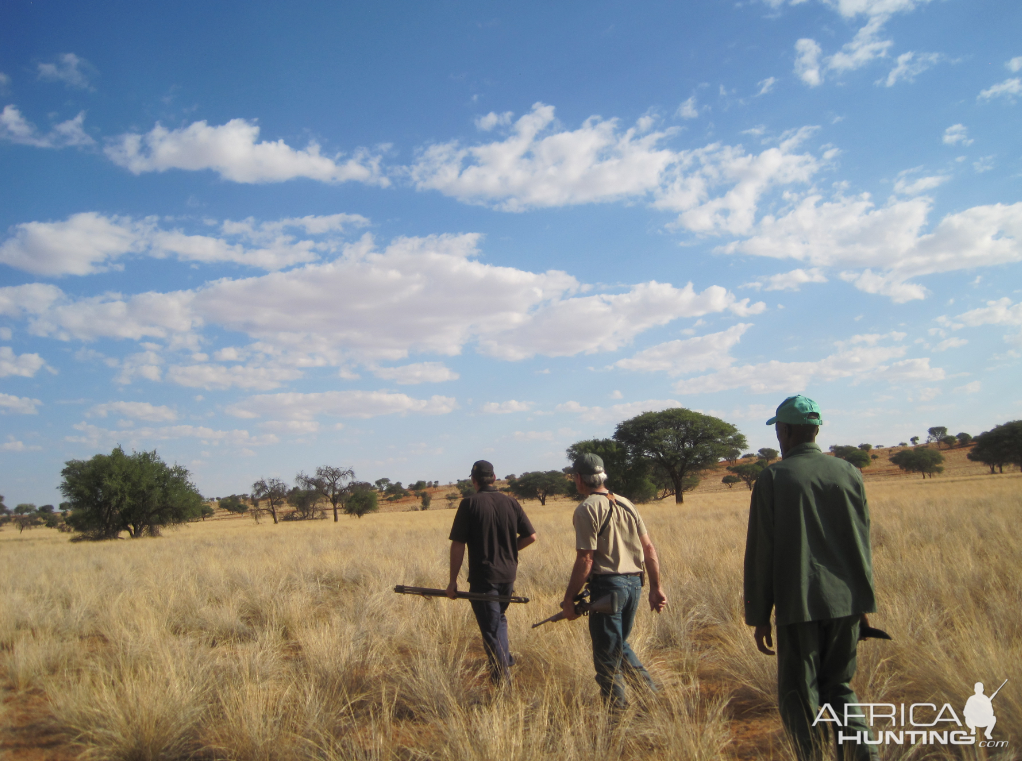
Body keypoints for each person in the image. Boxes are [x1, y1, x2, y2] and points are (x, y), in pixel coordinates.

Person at [744, 395, 879, 761]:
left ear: (784, 431)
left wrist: (758, 615)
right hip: (846, 602)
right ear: (816, 430)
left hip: (798, 603)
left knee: (800, 696)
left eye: (780, 431)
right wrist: (861, 601)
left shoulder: (773, 477)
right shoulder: (849, 472)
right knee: (840, 687)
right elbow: (860, 540)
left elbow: (762, 552)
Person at [561, 453, 667, 710]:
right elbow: (649, 550)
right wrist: (656, 588)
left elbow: (586, 560)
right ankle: (652, 700)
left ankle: (617, 715)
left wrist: (568, 599)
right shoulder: (627, 503)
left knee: (607, 657)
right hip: (634, 586)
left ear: (579, 479)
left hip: (608, 589)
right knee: (618, 646)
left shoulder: (586, 509)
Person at [447, 460, 536, 684]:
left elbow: (458, 544)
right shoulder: (511, 502)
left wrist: (452, 582)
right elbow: (531, 537)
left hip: (484, 577)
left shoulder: (469, 504)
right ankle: (504, 659)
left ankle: (502, 680)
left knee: (491, 628)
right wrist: (508, 550)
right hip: (508, 575)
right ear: (494, 478)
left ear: (473, 480)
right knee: (498, 620)